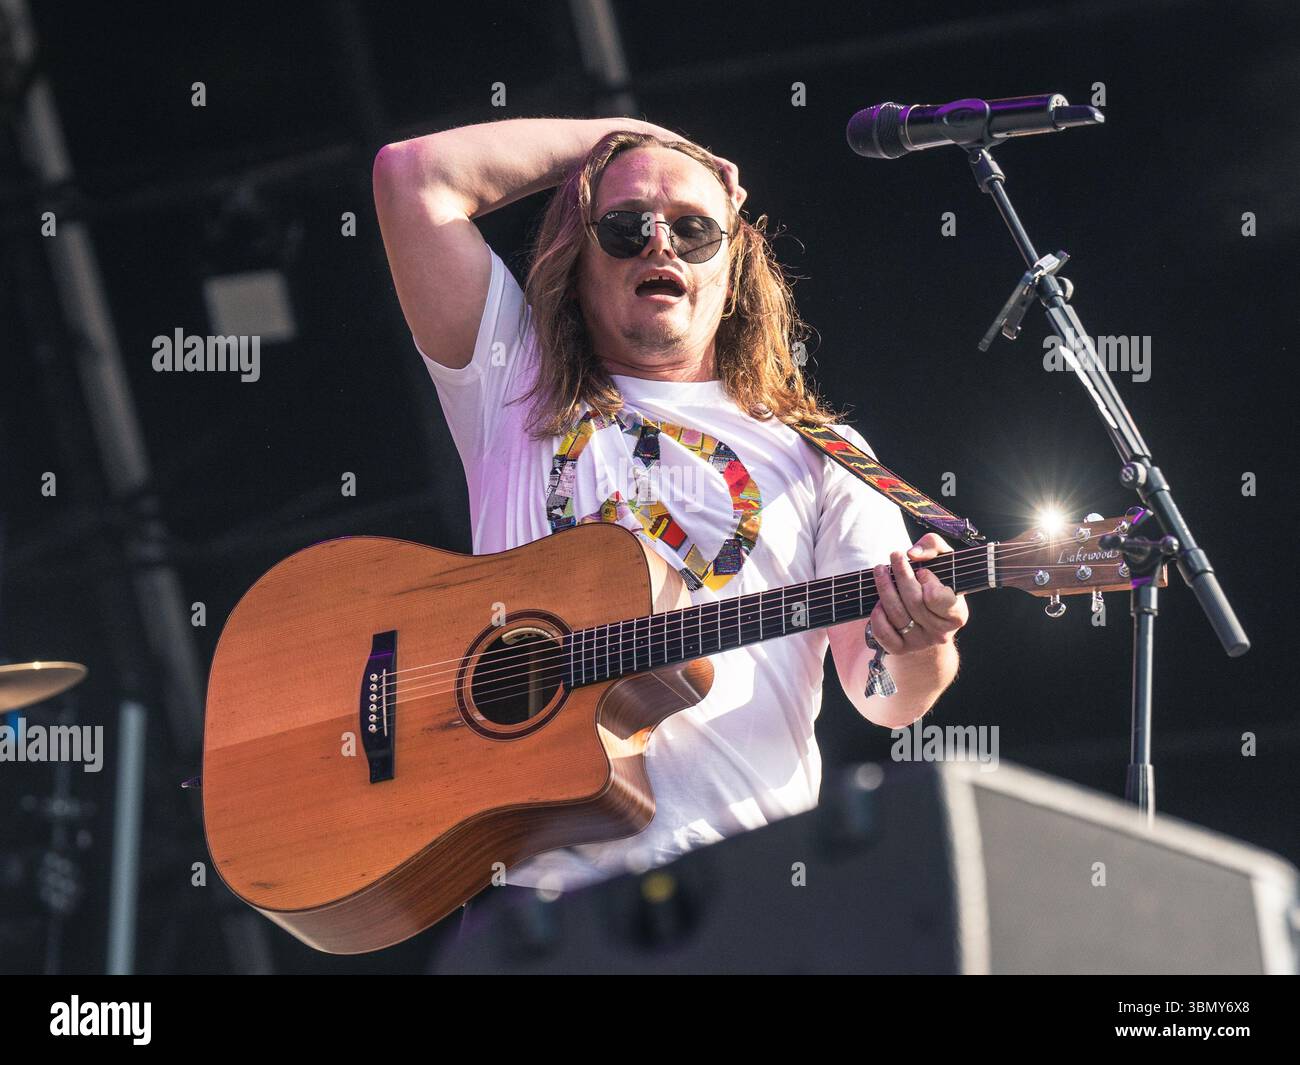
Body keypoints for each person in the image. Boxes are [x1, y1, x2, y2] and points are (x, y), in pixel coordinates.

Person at [373, 117, 968, 897]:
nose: (660, 245)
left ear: (734, 265)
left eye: (692, 230)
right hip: (539, 904)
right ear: (575, 259)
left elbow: (884, 697)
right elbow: (412, 178)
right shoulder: (511, 380)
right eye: (625, 228)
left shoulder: (823, 453)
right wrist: (631, 137)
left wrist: (918, 640)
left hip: (748, 895)